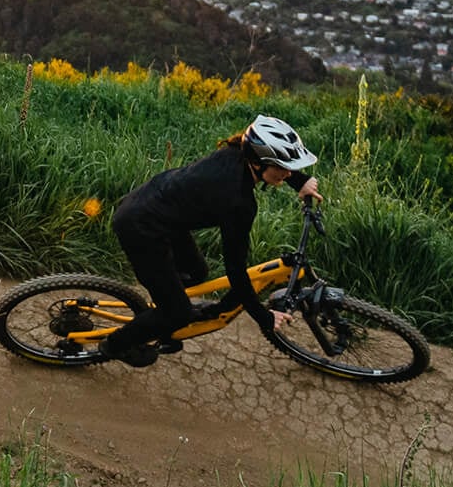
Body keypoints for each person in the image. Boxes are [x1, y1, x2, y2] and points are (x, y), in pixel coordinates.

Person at [98, 114, 320, 367]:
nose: (288, 172)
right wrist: (263, 317)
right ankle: (114, 345)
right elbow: (236, 271)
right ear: (259, 162)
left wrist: (300, 182)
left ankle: (160, 315)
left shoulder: (236, 152)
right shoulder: (239, 202)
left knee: (196, 272)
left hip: (154, 208)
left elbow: (274, 165)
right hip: (142, 228)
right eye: (282, 167)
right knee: (177, 312)